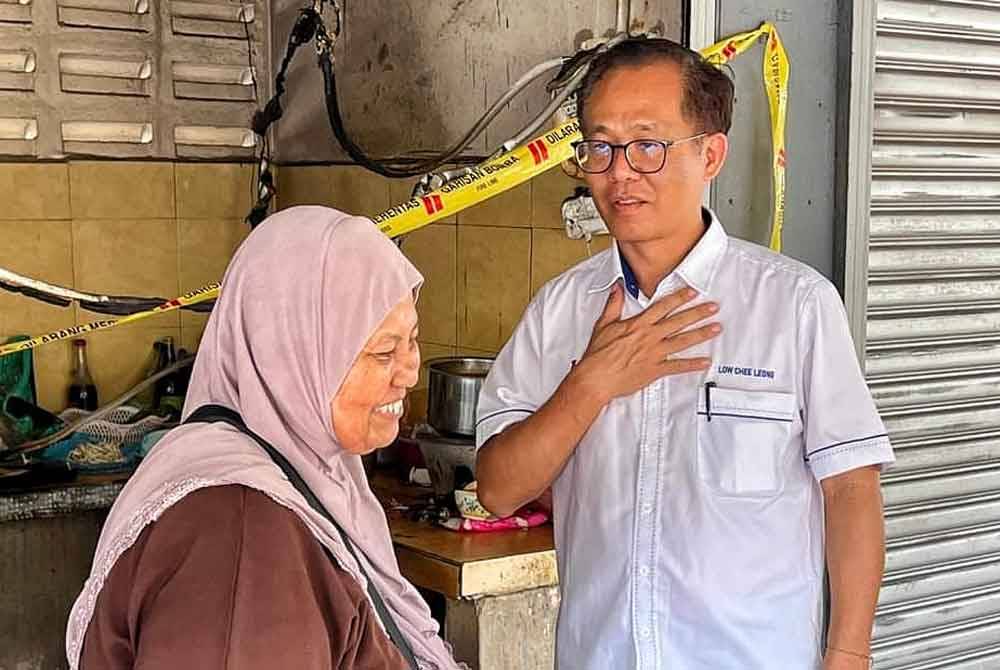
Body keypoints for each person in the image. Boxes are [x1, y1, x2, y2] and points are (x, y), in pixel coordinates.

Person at [475, 37, 893, 670]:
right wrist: (590, 384)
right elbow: (500, 491)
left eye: (649, 144)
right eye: (601, 145)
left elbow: (852, 489)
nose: (620, 172)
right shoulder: (561, 311)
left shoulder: (795, 304)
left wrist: (847, 655)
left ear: (711, 155)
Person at [66, 207, 464, 670]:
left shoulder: (300, 476)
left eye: (412, 340)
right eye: (383, 352)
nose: (410, 371)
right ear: (293, 358)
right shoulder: (240, 534)